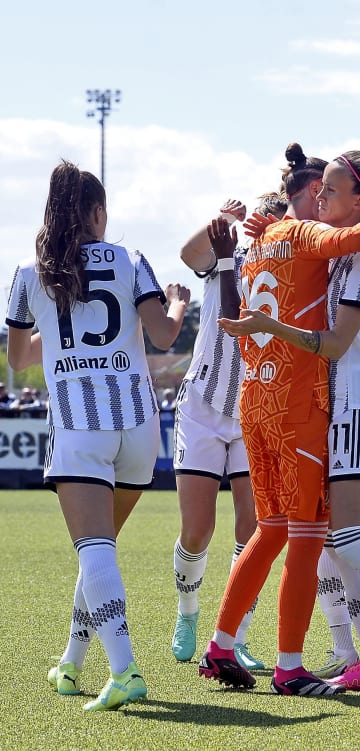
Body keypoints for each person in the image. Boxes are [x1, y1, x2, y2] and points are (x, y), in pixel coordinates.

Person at [197, 141, 360, 696]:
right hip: (314, 403)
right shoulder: (315, 243)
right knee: (326, 537)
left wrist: (265, 323)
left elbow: (337, 341)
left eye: (333, 189)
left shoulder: (347, 252)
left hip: (342, 401)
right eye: (318, 187)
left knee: (335, 537)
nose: (322, 195)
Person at [5, 160, 190, 710]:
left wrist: (60, 337)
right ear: (98, 213)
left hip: (80, 427)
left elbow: (19, 358)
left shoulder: (27, 273)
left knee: (95, 550)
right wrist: (178, 301)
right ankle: (70, 661)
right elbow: (162, 334)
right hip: (139, 424)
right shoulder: (133, 259)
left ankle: (126, 668)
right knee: (99, 553)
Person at [168, 195, 284, 670]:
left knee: (251, 529)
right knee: (197, 531)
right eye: (267, 220)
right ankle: (188, 611)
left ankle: (235, 636)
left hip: (253, 406)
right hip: (202, 404)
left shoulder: (293, 268)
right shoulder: (228, 250)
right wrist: (227, 219)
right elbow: (186, 254)